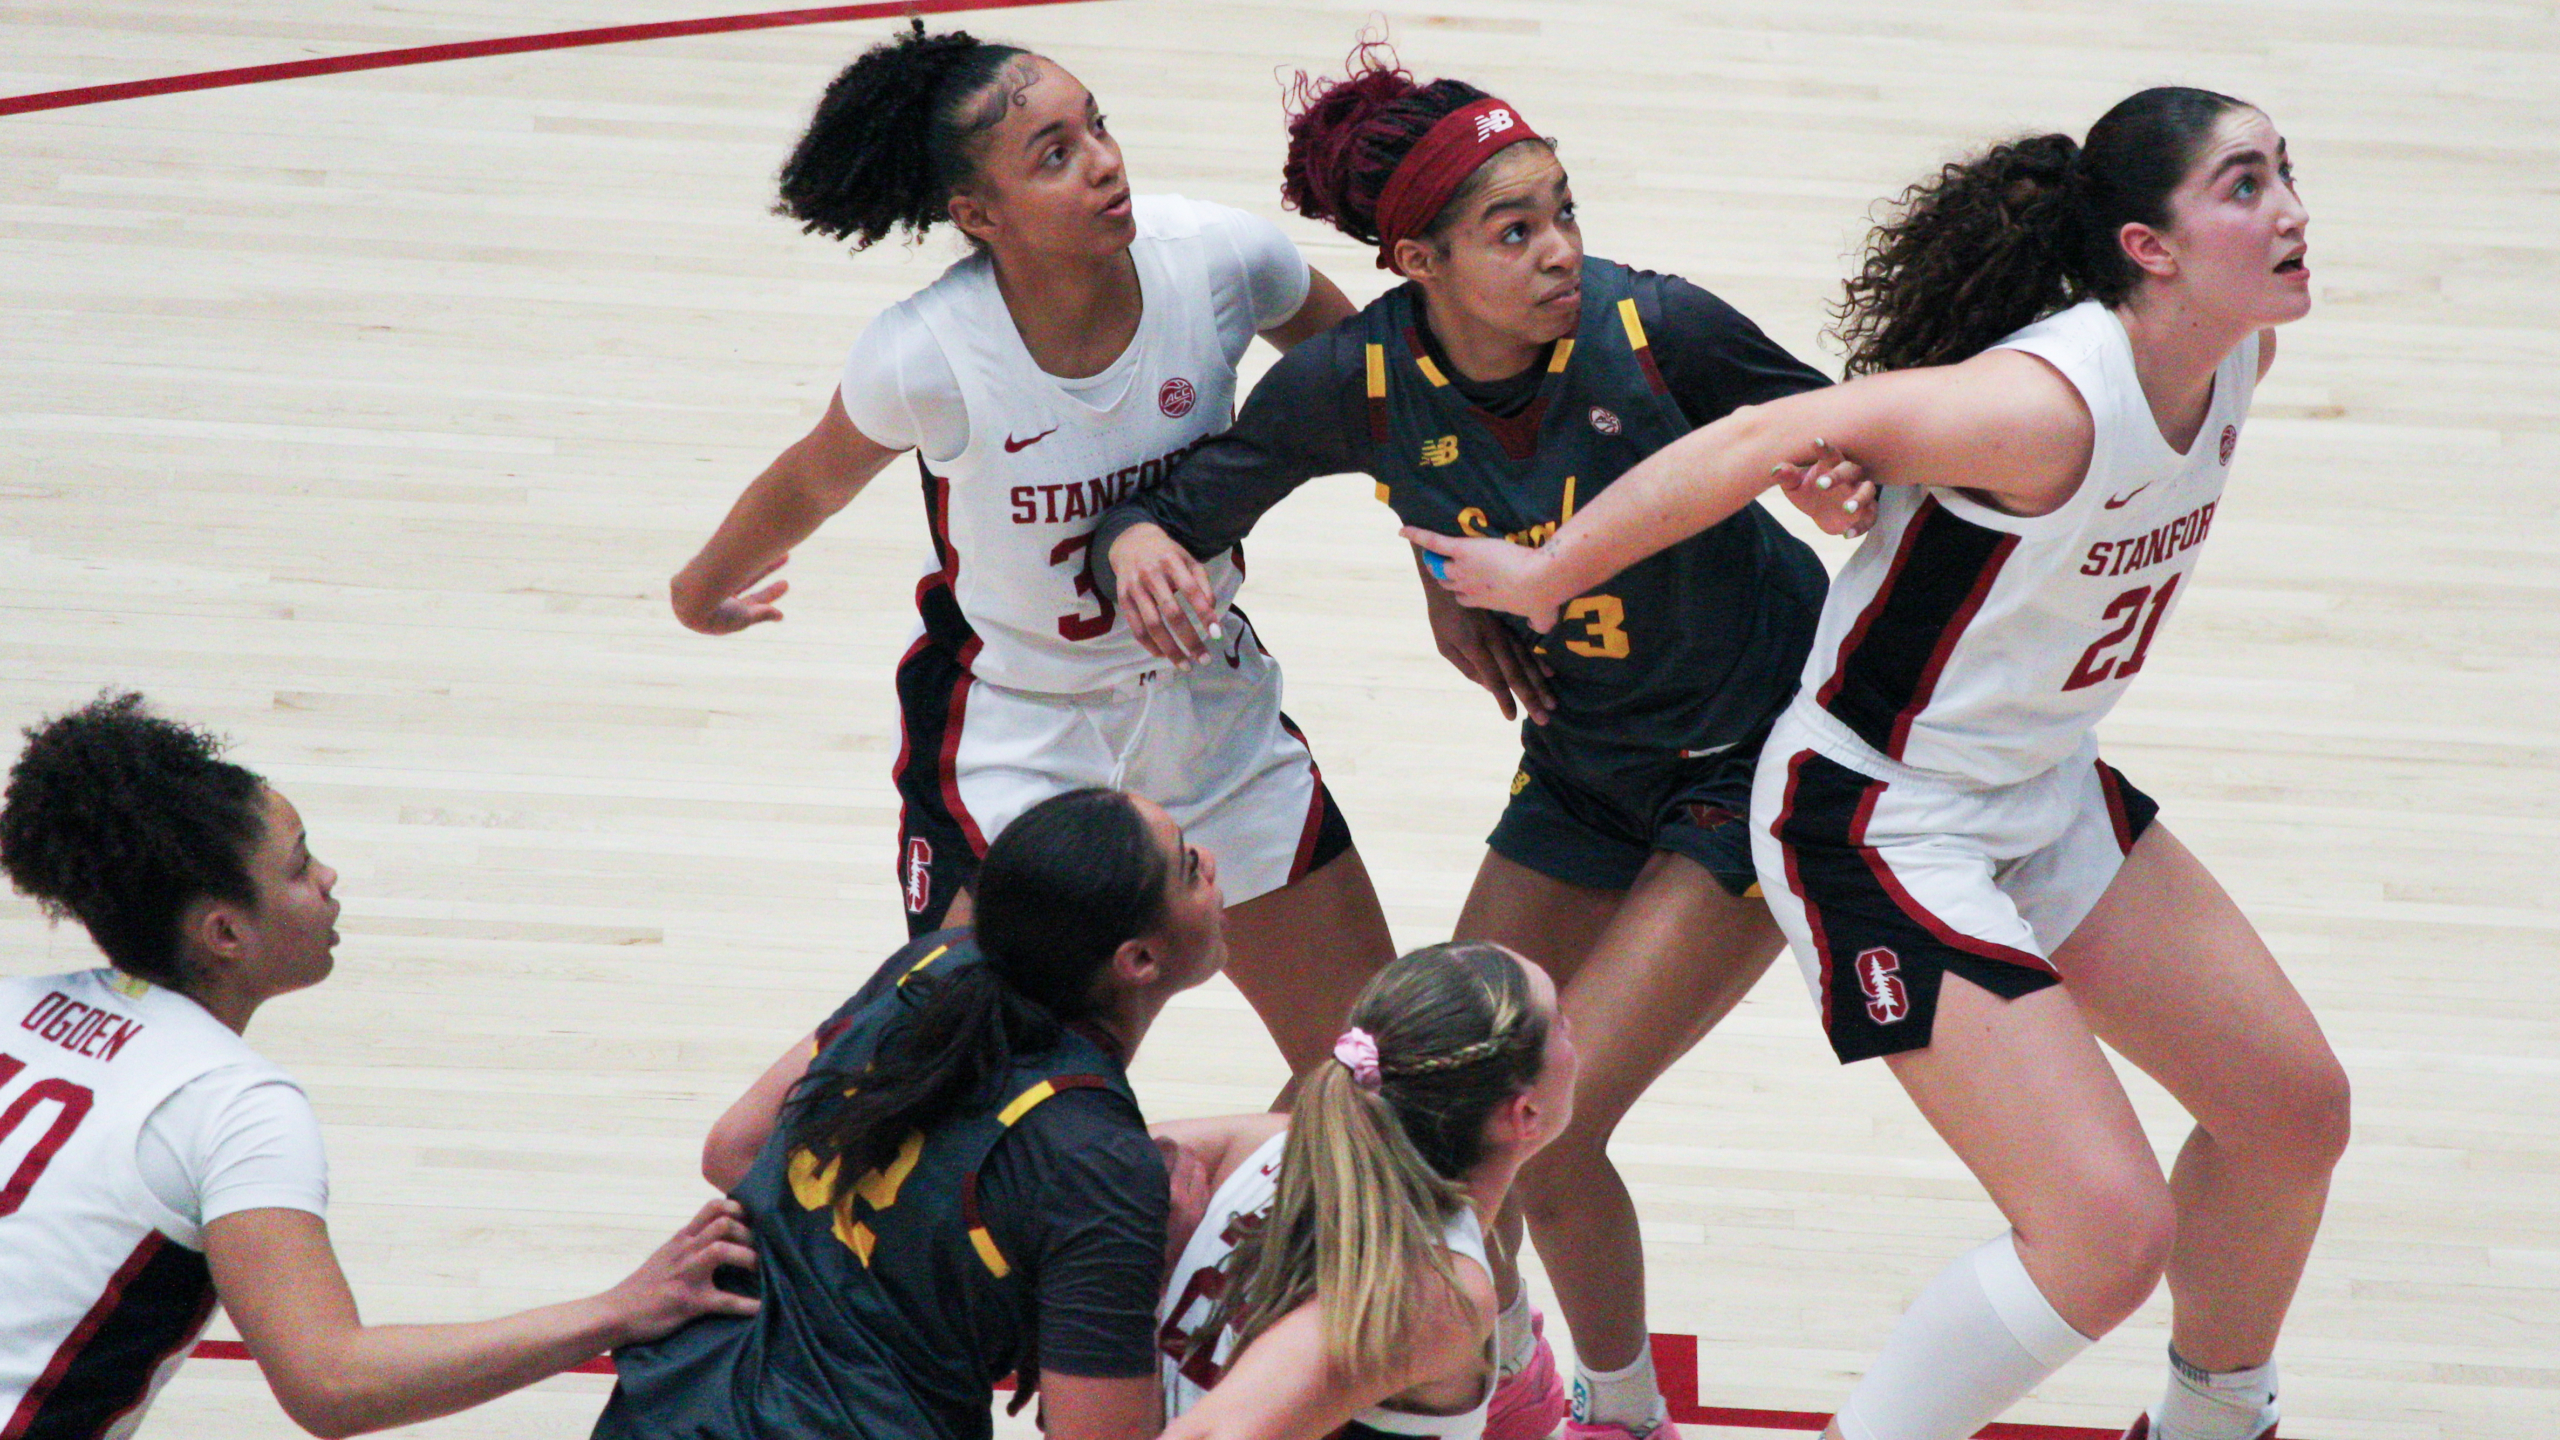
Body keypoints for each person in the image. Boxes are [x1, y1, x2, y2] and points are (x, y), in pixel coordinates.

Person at [1410, 88, 2347, 1440]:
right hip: (1881, 820)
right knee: (2103, 1233)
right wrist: (1547, 573)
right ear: (2148, 245)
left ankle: (2216, 1423)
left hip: (2037, 787)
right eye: (2248, 185)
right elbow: (1758, 437)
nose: (2293, 210)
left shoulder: (2235, 358)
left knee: (2292, 1113)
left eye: (2287, 172)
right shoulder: (2042, 408)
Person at [1092, 50, 1869, 1440]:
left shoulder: (1654, 332)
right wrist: (1140, 536)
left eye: (1562, 209)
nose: (1560, 248)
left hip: (1751, 753)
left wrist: (1838, 475)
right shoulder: (1361, 381)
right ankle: (1488, 1396)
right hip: (1583, 761)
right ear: (1417, 259)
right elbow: (1189, 501)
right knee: (1413, 1120)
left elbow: (1846, 432)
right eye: (1516, 230)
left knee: (1544, 1132)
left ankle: (1619, 1420)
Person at [664, 22, 1394, 1077]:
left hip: (1208, 712)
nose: (1101, 160)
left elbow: (1383, 398)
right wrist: (699, 593)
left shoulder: (1224, 262)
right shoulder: (928, 355)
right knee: (974, 1108)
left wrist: (1447, 574)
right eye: (1053, 154)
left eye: (1095, 126)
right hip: (1019, 737)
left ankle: (1277, 1224)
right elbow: (810, 479)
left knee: (1379, 1080)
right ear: (977, 215)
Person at [0, 692, 754, 1440]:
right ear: (224, 933)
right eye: (297, 869)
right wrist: (622, 1307)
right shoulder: (229, 1104)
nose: (328, 878)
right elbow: (333, 1383)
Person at [595, 786, 1226, 1440]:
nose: (1208, 860)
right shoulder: (1099, 1163)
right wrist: (1149, 1279)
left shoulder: (936, 964)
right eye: (1186, 866)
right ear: (1140, 960)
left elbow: (734, 1149)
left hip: (669, 1412)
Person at [1154, 941, 1575, 1440]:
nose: (1575, 1033)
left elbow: (1057, 1160)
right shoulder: (1436, 1292)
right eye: (1562, 1021)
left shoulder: (1262, 1145)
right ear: (1524, 1115)